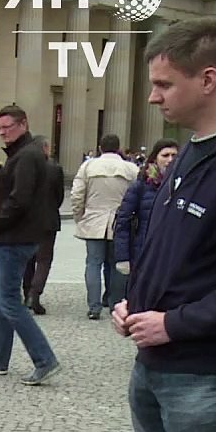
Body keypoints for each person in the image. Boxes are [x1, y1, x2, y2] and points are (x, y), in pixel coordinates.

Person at [113, 19, 216, 432]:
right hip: (153, 366)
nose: (152, 97)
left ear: (208, 80)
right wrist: (132, 302)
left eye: (164, 84)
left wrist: (174, 324)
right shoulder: (188, 150)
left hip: (207, 377)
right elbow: (170, 250)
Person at [0, 105, 60, 386]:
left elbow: (19, 200)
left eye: (7, 127)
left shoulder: (26, 156)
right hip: (15, 237)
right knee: (1, 299)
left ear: (23, 124)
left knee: (9, 301)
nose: (2, 133)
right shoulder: (25, 154)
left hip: (13, 238)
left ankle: (44, 358)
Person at [71, 133, 138, 321]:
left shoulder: (88, 166)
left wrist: (79, 216)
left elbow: (77, 194)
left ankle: (94, 306)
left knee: (93, 263)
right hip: (120, 221)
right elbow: (136, 194)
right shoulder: (130, 168)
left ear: (100, 147)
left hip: (94, 219)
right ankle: (115, 303)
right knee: (117, 264)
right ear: (118, 148)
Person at [112, 138, 179, 303]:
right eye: (165, 155)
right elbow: (123, 221)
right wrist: (123, 257)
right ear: (155, 158)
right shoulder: (140, 186)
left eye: (174, 155)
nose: (170, 160)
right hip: (143, 255)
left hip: (173, 256)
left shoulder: (186, 184)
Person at [21, 135, 63, 316]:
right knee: (44, 260)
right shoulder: (55, 169)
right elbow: (59, 195)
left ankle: (26, 293)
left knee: (29, 259)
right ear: (45, 148)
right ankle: (35, 294)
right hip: (48, 219)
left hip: (27, 220)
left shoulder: (25, 167)